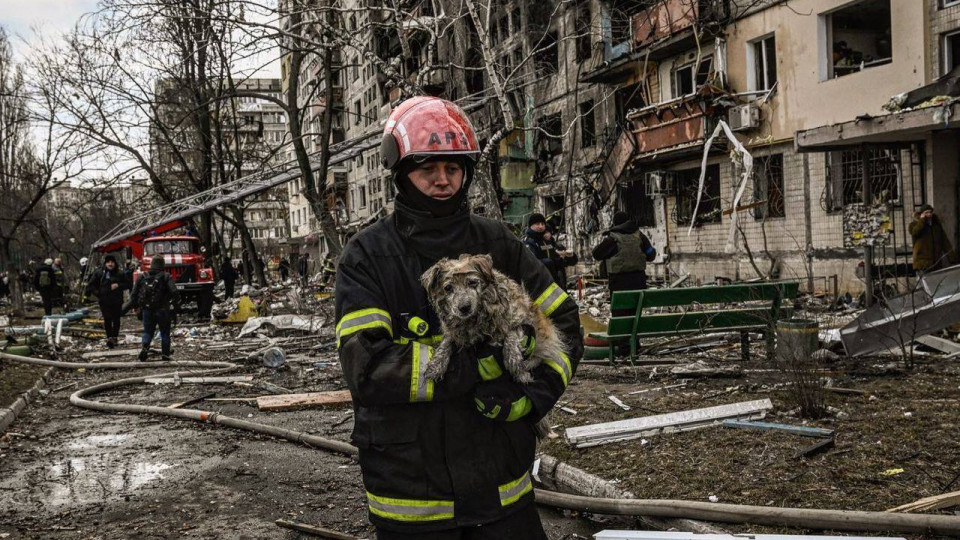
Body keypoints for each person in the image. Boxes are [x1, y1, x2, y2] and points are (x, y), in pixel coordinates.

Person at [336, 96, 582, 539]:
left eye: (453, 168)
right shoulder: (368, 256)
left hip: (502, 491)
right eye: (428, 168)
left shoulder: (497, 243)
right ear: (401, 173)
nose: (443, 180)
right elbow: (367, 367)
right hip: (413, 500)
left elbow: (562, 320)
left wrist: (535, 395)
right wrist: (472, 366)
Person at [592, 211, 656, 314]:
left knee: (620, 316)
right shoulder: (640, 236)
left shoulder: (612, 239)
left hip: (618, 285)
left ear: (615, 223)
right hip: (638, 283)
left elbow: (596, 254)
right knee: (635, 314)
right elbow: (651, 254)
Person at [125, 255, 181, 361]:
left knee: (147, 332)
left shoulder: (142, 276)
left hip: (147, 309)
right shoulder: (165, 276)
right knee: (165, 333)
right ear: (163, 265)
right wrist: (175, 305)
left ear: (151, 264)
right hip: (163, 309)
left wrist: (137, 307)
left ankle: (145, 348)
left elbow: (133, 295)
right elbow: (175, 292)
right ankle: (165, 354)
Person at [85, 255, 130, 348]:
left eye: (112, 262)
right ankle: (109, 338)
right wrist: (99, 293)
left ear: (115, 263)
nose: (110, 264)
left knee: (116, 319)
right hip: (104, 300)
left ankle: (115, 337)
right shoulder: (99, 273)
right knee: (107, 318)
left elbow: (128, 284)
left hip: (117, 300)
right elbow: (91, 285)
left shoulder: (120, 273)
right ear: (105, 263)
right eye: (108, 262)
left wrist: (118, 285)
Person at [910, 204, 957, 273]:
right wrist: (922, 220)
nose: (929, 214)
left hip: (935, 262)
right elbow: (915, 232)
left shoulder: (936, 225)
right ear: (922, 214)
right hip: (922, 263)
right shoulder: (914, 224)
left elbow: (945, 242)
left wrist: (952, 259)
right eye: (926, 213)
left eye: (930, 212)